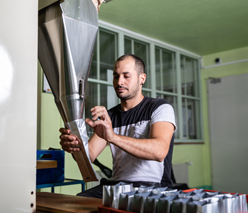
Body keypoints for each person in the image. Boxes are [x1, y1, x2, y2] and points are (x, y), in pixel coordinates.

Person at [59, 54, 176, 198]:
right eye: (116, 76)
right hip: (118, 186)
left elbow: (159, 151)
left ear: (142, 79)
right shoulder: (111, 116)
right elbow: (89, 155)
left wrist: (113, 137)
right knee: (80, 201)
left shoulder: (160, 107)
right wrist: (75, 146)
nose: (119, 82)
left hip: (153, 187)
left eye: (126, 76)